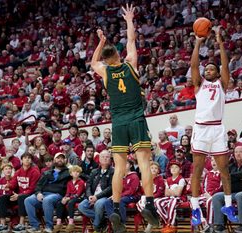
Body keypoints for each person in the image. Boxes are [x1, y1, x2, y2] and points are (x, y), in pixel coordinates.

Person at [90, 4, 159, 231]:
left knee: (119, 169)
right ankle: (149, 204)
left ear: (106, 60)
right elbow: (131, 40)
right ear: (118, 55)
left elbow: (92, 63)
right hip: (137, 119)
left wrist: (100, 41)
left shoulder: (105, 72)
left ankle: (116, 207)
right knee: (144, 163)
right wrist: (129, 20)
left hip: (118, 123)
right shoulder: (130, 64)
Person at [189, 27, 238, 229]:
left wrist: (219, 41)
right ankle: (194, 208)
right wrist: (198, 43)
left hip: (217, 129)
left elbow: (225, 65)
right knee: (198, 169)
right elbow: (193, 66)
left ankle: (228, 205)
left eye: (212, 69)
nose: (208, 70)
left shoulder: (222, 84)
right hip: (201, 129)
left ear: (217, 73)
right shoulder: (198, 85)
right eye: (206, 69)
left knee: (225, 169)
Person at [212, 142, 242, 233]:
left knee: (240, 195)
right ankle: (220, 225)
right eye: (236, 152)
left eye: (240, 152)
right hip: (233, 192)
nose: (238, 154)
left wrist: (232, 176)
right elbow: (226, 178)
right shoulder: (231, 166)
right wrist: (240, 177)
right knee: (217, 196)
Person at [24, 152, 71, 233]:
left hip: (57, 195)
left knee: (47, 200)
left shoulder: (69, 172)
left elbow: (82, 177)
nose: (60, 159)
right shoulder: (47, 172)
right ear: (54, 160)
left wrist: (72, 167)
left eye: (62, 158)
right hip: (44, 194)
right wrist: (38, 193)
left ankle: (49, 227)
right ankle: (35, 226)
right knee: (28, 200)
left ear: (65, 160)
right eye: (58, 158)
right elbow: (38, 185)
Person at [0, 153, 40, 233]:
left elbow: (33, 188)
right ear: (22, 160)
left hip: (29, 195)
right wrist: (8, 185)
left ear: (31, 160)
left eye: (29, 158)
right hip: (18, 195)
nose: (27, 159)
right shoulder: (18, 172)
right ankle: (2, 224)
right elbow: (14, 183)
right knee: (3, 198)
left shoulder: (35, 172)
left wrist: (19, 195)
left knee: (21, 197)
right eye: (25, 158)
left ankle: (21, 224)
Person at [78, 150, 114, 232]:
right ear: (99, 159)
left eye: (107, 157)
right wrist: (90, 196)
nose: (105, 159)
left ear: (110, 159)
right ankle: (102, 220)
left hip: (106, 197)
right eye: (103, 157)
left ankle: (96, 226)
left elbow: (111, 188)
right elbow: (88, 185)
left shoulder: (113, 171)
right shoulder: (94, 171)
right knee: (81, 206)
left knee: (98, 203)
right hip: (93, 196)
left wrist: (96, 197)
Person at [103, 160, 141, 231]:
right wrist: (114, 195)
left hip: (134, 196)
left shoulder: (134, 176)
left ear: (131, 165)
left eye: (126, 163)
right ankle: (115, 221)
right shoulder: (121, 176)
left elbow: (132, 191)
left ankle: (122, 223)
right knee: (107, 201)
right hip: (123, 196)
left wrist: (119, 196)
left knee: (120, 201)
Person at [154, 161, 186, 232]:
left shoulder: (181, 179)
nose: (173, 169)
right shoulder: (168, 179)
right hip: (169, 198)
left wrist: (170, 191)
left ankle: (171, 225)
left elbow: (178, 194)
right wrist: (173, 192)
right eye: (172, 167)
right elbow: (166, 193)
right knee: (157, 202)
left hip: (180, 198)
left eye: (176, 167)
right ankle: (167, 221)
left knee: (172, 202)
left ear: (180, 170)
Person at [54, 165, 85, 233]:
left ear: (79, 173)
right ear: (71, 173)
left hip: (80, 198)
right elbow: (68, 192)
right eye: (74, 172)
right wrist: (65, 198)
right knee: (60, 203)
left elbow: (78, 194)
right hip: (71, 197)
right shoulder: (69, 182)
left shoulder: (81, 182)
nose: (76, 173)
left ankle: (71, 222)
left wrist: (68, 198)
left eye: (77, 172)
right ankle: (59, 222)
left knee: (71, 202)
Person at [136, 162, 165, 233]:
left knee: (153, 203)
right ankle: (151, 219)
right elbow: (142, 191)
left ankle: (151, 223)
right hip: (146, 198)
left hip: (157, 198)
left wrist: (150, 198)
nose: (154, 170)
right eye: (152, 168)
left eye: (156, 168)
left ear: (158, 171)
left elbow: (160, 192)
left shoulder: (160, 179)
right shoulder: (146, 179)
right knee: (139, 203)